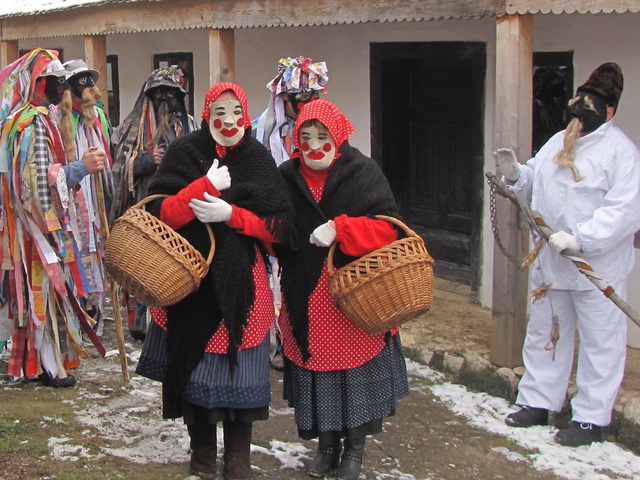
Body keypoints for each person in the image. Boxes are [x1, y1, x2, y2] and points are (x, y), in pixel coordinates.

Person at [135, 82, 295, 480]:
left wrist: (232, 215)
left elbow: (280, 230)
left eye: (236, 111)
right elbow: (161, 215)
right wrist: (204, 186)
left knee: (241, 374)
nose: (228, 120)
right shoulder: (185, 152)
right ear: (206, 115)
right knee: (195, 373)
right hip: (190, 279)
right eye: (218, 112)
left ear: (246, 113)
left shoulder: (258, 159)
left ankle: (239, 457)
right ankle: (202, 455)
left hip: (244, 286)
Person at [494, 62, 640, 447]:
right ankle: (539, 401)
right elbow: (533, 185)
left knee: (600, 341)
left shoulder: (621, 154)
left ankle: (592, 417)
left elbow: (623, 211)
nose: (581, 114)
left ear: (608, 111)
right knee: (546, 332)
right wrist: (515, 175)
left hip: (596, 267)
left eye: (591, 107)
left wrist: (581, 239)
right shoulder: (559, 140)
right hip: (551, 262)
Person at [274, 99, 409, 479]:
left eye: (322, 136)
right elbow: (276, 228)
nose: (314, 146)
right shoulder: (287, 176)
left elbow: (390, 230)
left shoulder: (362, 172)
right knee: (319, 377)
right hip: (305, 296)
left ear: (339, 136)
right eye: (306, 137)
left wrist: (343, 228)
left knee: (354, 380)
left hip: (353, 299)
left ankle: (356, 450)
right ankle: (327, 445)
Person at [0, 48, 108, 387]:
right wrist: (81, 169)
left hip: (38, 227)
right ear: (40, 83)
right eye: (57, 81)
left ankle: (42, 362)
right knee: (42, 290)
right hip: (38, 230)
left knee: (42, 295)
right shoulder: (31, 123)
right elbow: (36, 183)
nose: (63, 87)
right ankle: (49, 366)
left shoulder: (33, 119)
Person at [110, 65, 199, 341]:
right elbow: (117, 168)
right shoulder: (131, 128)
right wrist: (144, 162)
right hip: (143, 208)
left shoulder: (191, 127)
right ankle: (140, 323)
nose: (164, 99)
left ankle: (175, 314)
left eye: (170, 93)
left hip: (178, 209)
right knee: (142, 262)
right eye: (158, 92)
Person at [253, 55, 328, 370]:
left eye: (309, 97)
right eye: (296, 99)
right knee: (277, 282)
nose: (303, 104)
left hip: (315, 216)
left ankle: (311, 340)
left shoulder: (326, 129)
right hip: (276, 216)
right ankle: (281, 343)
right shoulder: (262, 130)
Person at [61, 58, 115, 333]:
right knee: (76, 258)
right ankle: (77, 317)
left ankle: (94, 315)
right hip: (71, 207)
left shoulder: (100, 120)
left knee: (95, 257)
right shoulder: (59, 120)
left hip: (96, 205)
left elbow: (111, 156)